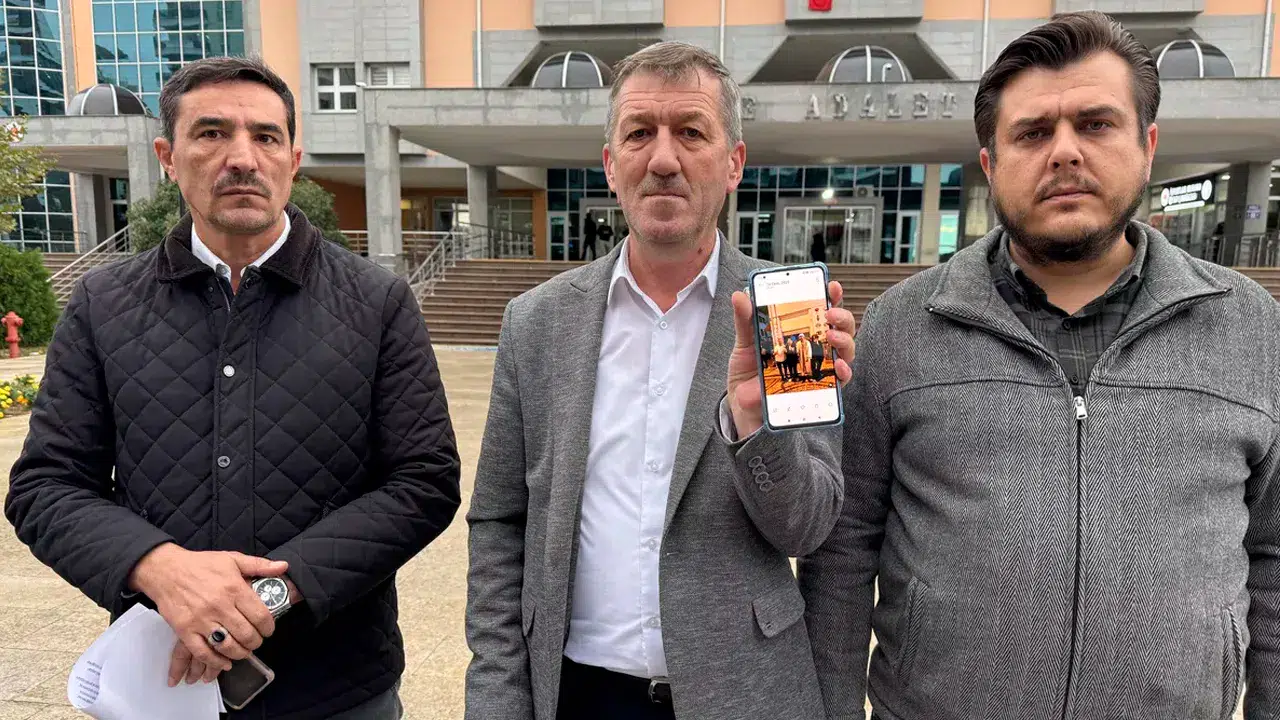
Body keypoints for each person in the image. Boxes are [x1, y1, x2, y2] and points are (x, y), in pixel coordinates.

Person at [801, 11, 1280, 720]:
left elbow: (1274, 556)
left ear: (1148, 146)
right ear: (991, 163)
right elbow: (843, 554)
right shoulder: (903, 325)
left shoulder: (1250, 326)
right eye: (1032, 132)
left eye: (1096, 124)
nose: (1064, 152)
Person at [4, 56, 462, 720]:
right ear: (168, 156)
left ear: (293, 160)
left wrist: (266, 598)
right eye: (212, 133)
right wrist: (161, 570)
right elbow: (46, 486)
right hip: (161, 685)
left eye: (265, 137)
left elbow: (423, 482)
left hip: (337, 689)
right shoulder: (103, 304)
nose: (242, 158)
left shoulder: (377, 302)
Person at [464, 41, 857, 720]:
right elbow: (500, 523)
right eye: (640, 133)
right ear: (610, 163)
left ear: (734, 162)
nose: (664, 159)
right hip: (578, 695)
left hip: (743, 696)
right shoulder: (537, 323)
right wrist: (497, 699)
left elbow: (809, 529)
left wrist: (755, 427)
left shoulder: (790, 314)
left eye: (692, 133)